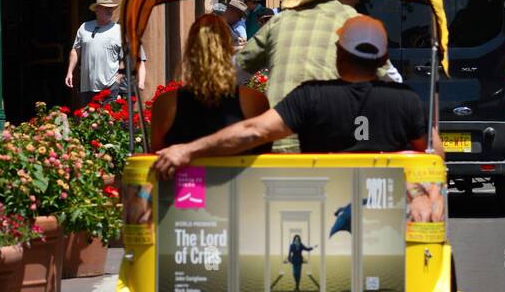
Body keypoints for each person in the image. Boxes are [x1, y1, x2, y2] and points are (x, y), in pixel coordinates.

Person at [154, 15, 440, 176]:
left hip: (323, 218)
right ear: (383, 59)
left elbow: (254, 131)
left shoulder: (310, 97)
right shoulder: (407, 101)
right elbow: (434, 156)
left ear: (339, 54)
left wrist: (189, 149)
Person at [233, 0, 400, 151]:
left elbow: (234, 72)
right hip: (335, 150)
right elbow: (393, 81)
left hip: (280, 148)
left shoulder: (279, 21)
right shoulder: (354, 21)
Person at [150, 14, 267, 151]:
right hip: (239, 173)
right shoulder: (253, 100)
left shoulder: (166, 104)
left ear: (189, 52)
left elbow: (157, 153)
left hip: (188, 173)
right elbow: (263, 149)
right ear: (229, 49)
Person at [66, 0, 146, 109]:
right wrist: (70, 72)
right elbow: (75, 50)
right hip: (87, 87)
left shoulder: (118, 30)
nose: (110, 11)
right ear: (97, 10)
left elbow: (129, 58)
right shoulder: (84, 27)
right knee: (88, 123)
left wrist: (118, 80)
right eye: (106, 8)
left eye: (111, 8)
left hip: (109, 87)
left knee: (109, 123)